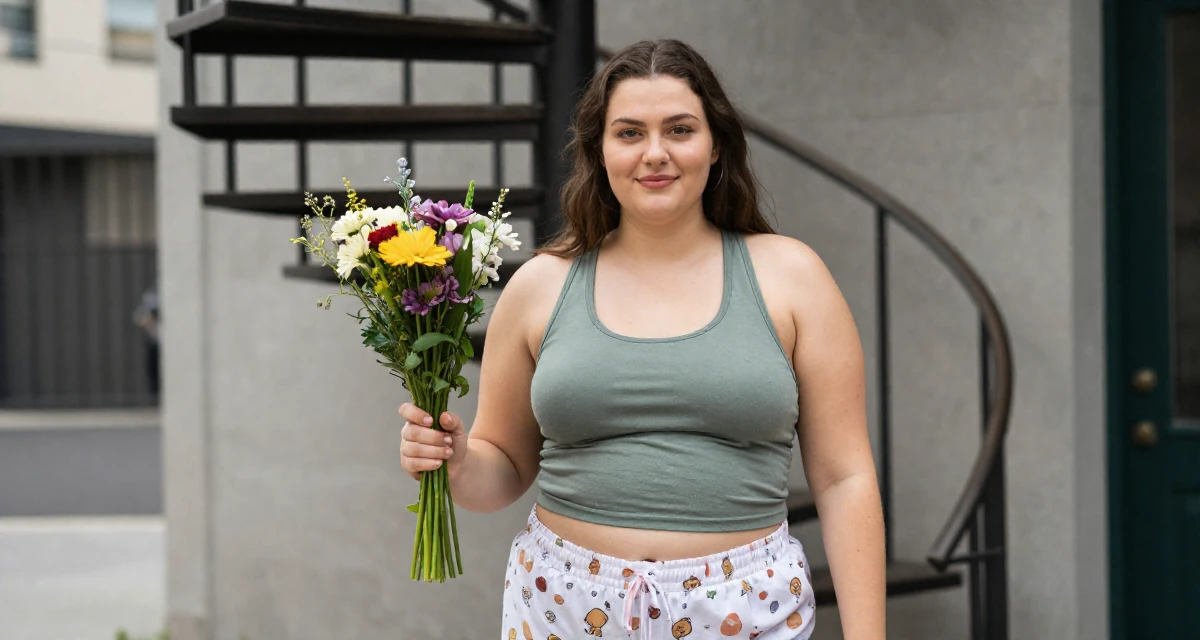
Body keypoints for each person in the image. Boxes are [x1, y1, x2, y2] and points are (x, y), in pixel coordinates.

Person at [399, 39, 885, 640]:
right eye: (630, 133)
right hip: (561, 608)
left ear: (715, 147)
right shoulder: (539, 286)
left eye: (680, 129)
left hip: (747, 611)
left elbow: (844, 479)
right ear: (599, 151)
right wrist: (453, 462)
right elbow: (503, 469)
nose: (655, 153)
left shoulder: (793, 277)